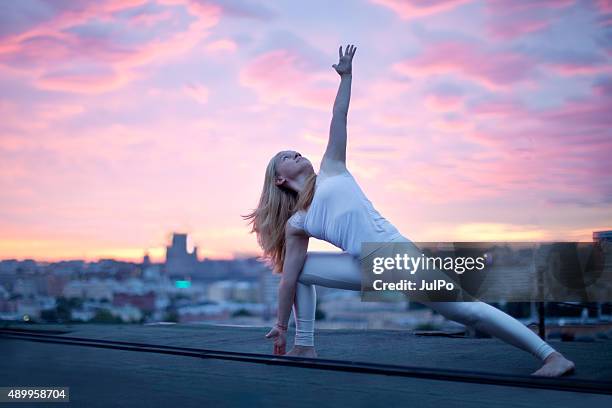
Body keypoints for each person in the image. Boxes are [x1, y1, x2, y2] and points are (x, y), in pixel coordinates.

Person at [243, 44, 575, 377]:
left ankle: (551, 356)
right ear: (280, 178)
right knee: (298, 270)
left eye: (297, 150)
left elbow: (339, 116)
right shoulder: (298, 223)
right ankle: (305, 345)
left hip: (396, 257)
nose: (297, 153)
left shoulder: (332, 168)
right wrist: (280, 325)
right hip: (364, 266)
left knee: (466, 312)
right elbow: (288, 280)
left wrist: (346, 77)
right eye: (287, 155)